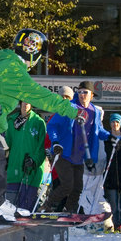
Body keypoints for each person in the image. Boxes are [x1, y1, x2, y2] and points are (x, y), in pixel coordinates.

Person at [0, 29, 80, 221]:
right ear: (35, 55)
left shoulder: (7, 65)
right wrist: (73, 110)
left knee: (0, 152)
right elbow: (40, 95)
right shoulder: (12, 70)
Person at [41, 80, 110, 213]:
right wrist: (55, 141)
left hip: (79, 157)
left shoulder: (94, 112)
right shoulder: (69, 107)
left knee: (78, 188)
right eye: (79, 92)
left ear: (92, 95)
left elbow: (98, 131)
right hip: (63, 152)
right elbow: (52, 125)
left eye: (85, 92)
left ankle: (69, 211)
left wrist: (110, 136)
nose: (82, 95)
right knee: (67, 185)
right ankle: (46, 205)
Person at [5, 102, 46, 212]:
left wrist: (34, 160)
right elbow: (7, 144)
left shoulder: (38, 122)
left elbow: (42, 147)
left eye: (29, 101)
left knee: (27, 209)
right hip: (14, 169)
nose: (26, 103)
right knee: (9, 208)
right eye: (24, 100)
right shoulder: (11, 120)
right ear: (20, 103)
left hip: (31, 172)